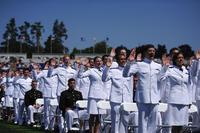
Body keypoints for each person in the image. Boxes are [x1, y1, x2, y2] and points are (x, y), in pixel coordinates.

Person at [123, 44, 162, 133]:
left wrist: (165, 68)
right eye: (150, 51)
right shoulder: (139, 64)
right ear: (145, 53)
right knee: (143, 122)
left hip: (155, 98)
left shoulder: (158, 66)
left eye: (153, 51)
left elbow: (161, 79)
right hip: (142, 98)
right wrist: (129, 62)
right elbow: (125, 74)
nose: (152, 53)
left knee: (153, 123)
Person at [161, 51, 192, 133]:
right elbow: (160, 78)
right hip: (174, 101)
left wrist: (190, 100)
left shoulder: (186, 70)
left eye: (182, 57)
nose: (181, 59)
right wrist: (164, 67)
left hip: (185, 101)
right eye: (179, 58)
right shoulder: (170, 69)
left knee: (182, 125)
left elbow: (189, 86)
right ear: (175, 60)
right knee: (174, 125)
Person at [102, 54, 133, 133]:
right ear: (118, 61)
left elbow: (131, 86)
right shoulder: (113, 71)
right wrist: (107, 67)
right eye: (121, 59)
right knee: (115, 121)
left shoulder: (129, 71)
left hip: (127, 100)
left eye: (124, 59)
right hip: (115, 100)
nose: (123, 60)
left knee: (125, 121)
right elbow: (104, 79)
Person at [78, 56, 106, 133]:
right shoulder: (91, 71)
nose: (99, 62)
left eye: (100, 61)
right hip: (93, 95)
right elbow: (80, 76)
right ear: (94, 62)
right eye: (97, 61)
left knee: (99, 116)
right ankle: (91, 131)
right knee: (92, 115)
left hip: (102, 95)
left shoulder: (104, 70)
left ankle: (96, 132)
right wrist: (82, 66)